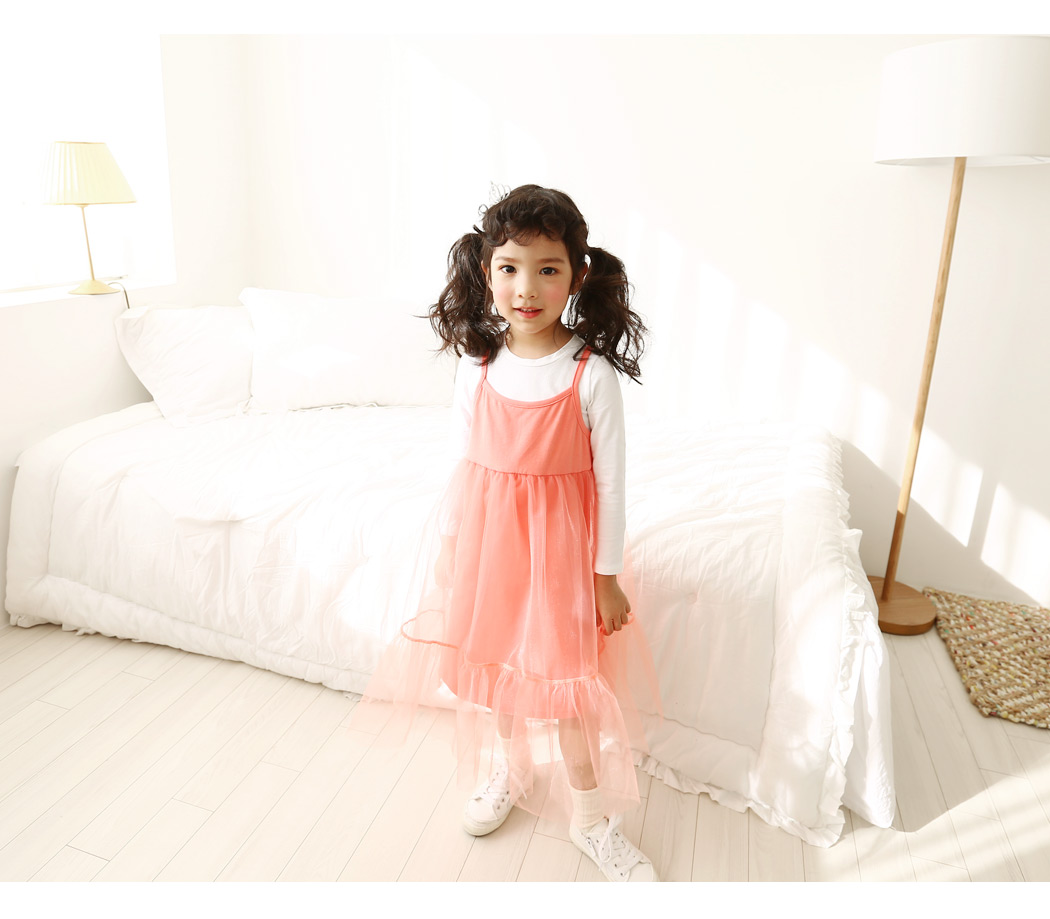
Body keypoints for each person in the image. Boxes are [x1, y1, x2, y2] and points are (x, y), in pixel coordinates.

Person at [362, 184, 661, 882]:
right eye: (510, 268)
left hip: (561, 559)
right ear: (488, 272)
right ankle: (511, 768)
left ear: (576, 276)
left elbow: (612, 485)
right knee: (499, 671)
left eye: (548, 269)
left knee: (567, 686)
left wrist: (605, 576)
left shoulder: (590, 375)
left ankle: (590, 817)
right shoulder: (478, 366)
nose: (527, 288)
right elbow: (466, 464)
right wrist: (456, 548)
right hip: (492, 551)